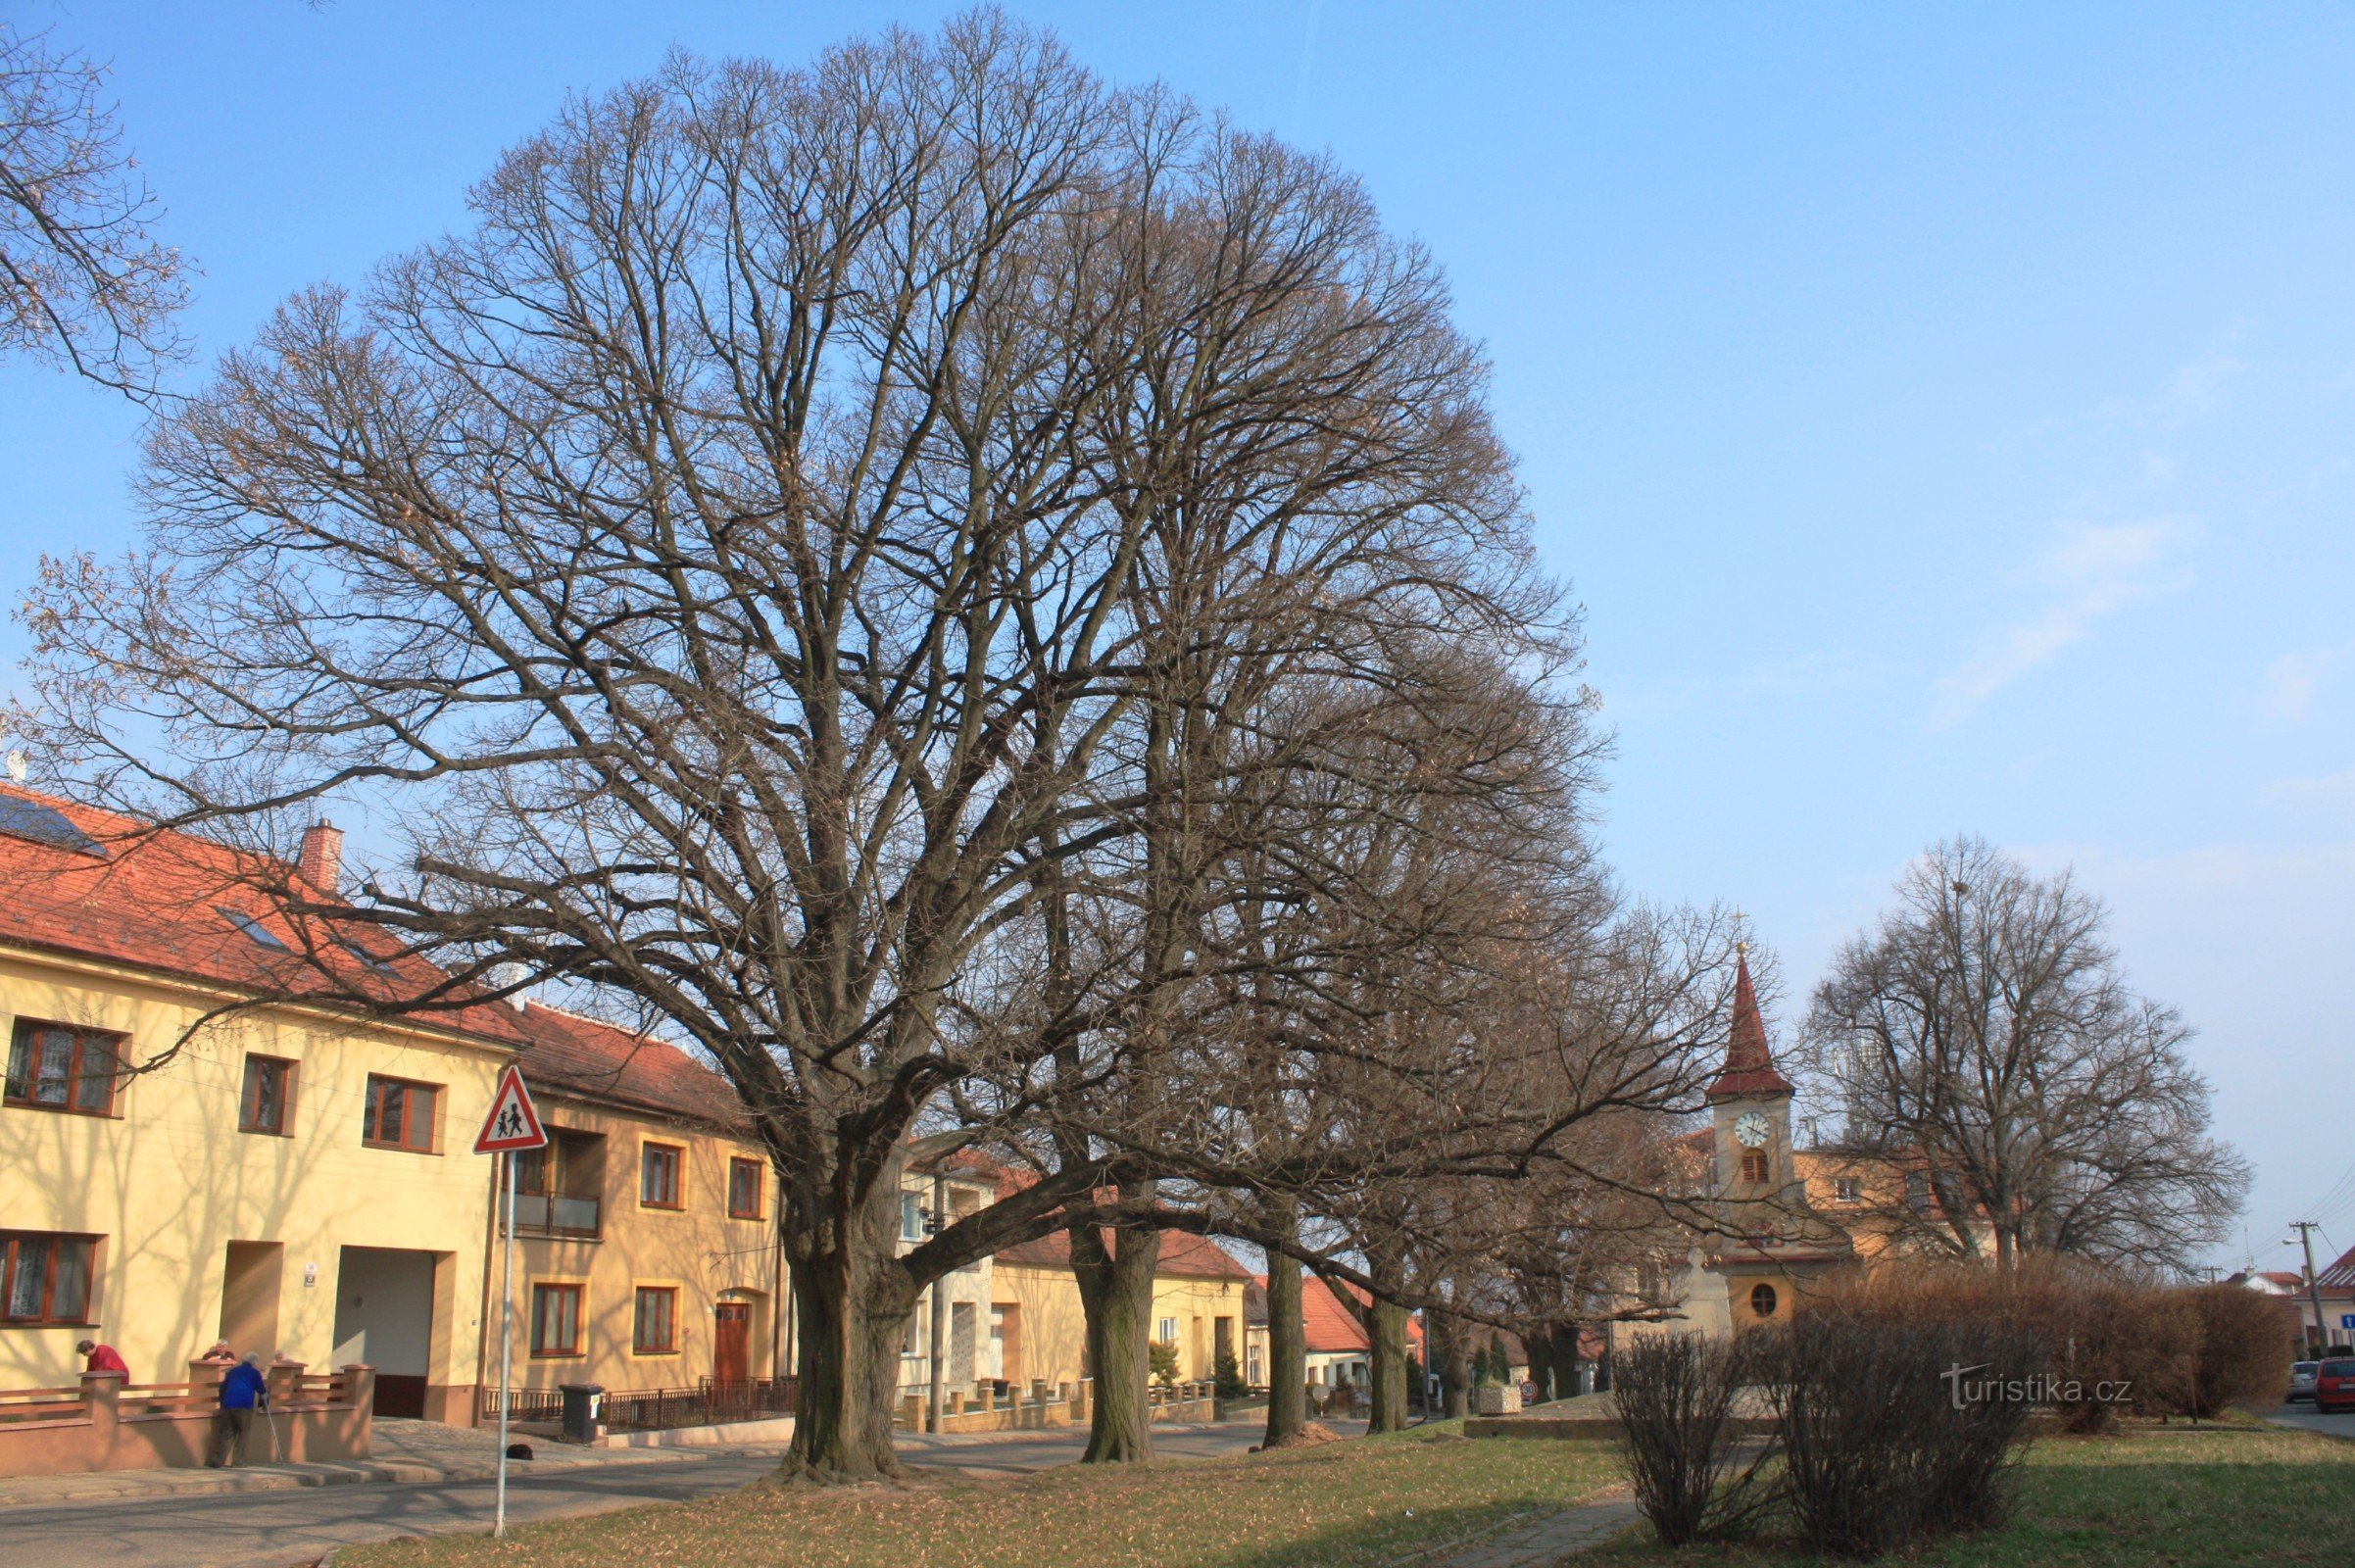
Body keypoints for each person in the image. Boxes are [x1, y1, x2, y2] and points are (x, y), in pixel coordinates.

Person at [205, 1353, 270, 1468]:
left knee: (226, 1433)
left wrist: (222, 1403)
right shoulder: (254, 1373)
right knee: (243, 1432)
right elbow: (262, 1390)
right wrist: (265, 1404)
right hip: (244, 1405)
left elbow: (222, 1388)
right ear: (254, 1362)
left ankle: (217, 1461)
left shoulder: (233, 1371)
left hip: (228, 1404)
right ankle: (238, 1461)